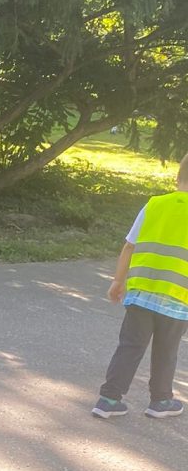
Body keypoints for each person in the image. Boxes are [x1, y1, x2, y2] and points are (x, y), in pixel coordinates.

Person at [92, 153, 188, 419]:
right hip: (177, 297)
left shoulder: (154, 205)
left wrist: (118, 280)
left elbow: (129, 246)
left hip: (141, 292)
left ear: (177, 177)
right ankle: (160, 401)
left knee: (130, 345)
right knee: (166, 350)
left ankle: (108, 399)